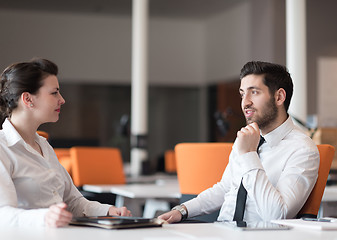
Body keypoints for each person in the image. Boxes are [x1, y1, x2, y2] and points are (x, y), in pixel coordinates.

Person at [159, 61, 320, 223]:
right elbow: (225, 188)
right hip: (221, 230)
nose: (245, 102)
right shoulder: (246, 139)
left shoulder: (302, 149)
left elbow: (277, 215)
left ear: (279, 97)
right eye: (242, 94)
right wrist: (183, 210)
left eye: (254, 92)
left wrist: (249, 155)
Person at [0, 58, 131, 228]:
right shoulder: (3, 148)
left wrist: (108, 211)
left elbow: (74, 202)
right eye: (54, 93)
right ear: (28, 99)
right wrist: (45, 218)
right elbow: (2, 214)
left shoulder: (44, 146)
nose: (62, 100)